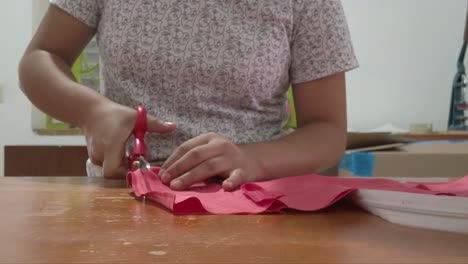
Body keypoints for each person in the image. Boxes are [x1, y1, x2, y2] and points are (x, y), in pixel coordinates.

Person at [19, 0, 358, 191]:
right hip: (123, 196)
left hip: (249, 203)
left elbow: (326, 131)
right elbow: (40, 58)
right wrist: (92, 111)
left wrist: (252, 160)